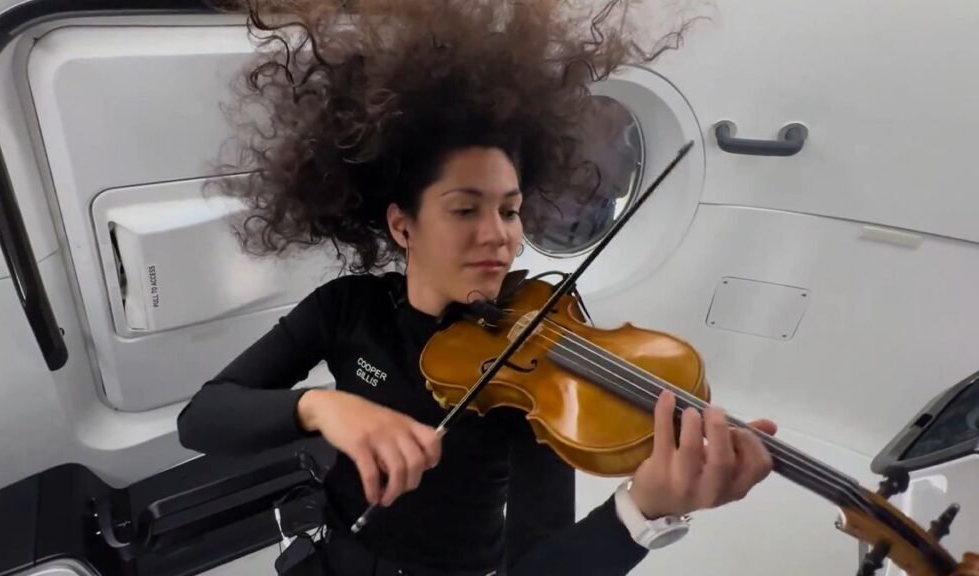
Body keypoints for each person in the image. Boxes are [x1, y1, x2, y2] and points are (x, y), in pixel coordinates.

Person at [178, 1, 778, 574]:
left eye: (511, 211)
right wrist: (322, 406)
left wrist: (638, 514)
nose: (501, 237)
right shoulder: (346, 310)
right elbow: (202, 418)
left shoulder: (528, 377)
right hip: (332, 555)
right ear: (402, 224)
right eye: (466, 210)